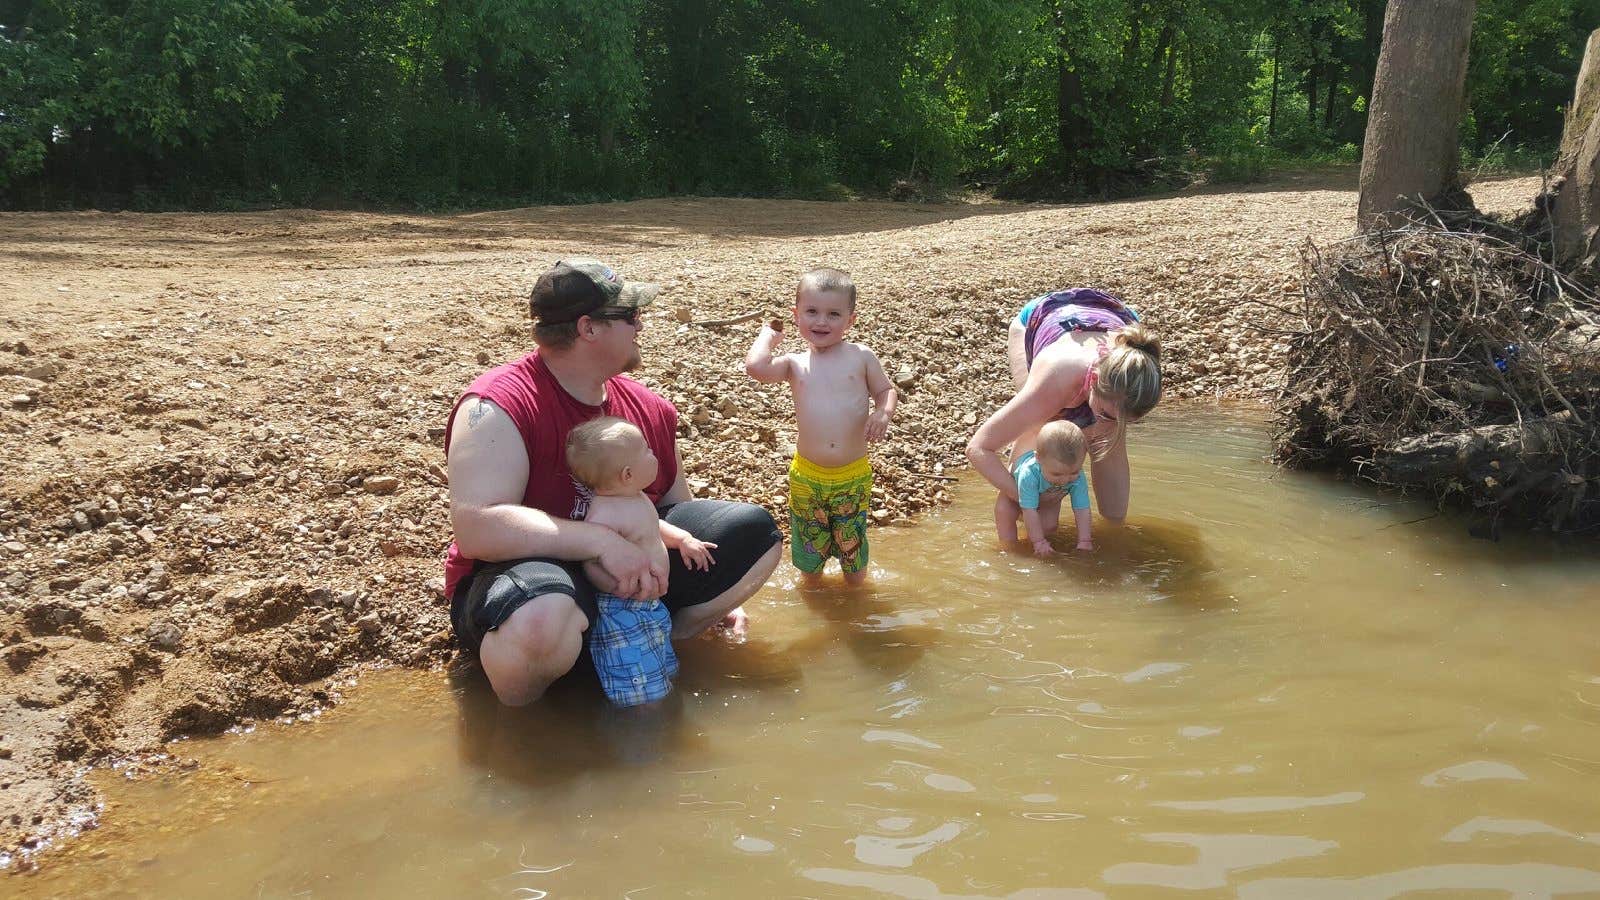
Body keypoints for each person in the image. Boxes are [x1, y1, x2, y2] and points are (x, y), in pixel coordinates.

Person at [444, 257, 783, 707]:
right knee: (542, 618)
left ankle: (657, 644)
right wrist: (602, 543)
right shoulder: (497, 404)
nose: (641, 325)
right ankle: (528, 733)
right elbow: (478, 529)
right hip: (526, 579)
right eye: (630, 316)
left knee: (755, 534)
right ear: (588, 328)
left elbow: (676, 508)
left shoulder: (649, 407)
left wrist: (723, 596)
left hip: (626, 588)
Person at [744, 268, 897, 586]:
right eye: (811, 312)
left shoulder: (860, 357)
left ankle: (856, 603)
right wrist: (767, 337)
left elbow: (886, 390)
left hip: (851, 475)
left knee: (852, 549)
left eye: (833, 314)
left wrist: (882, 413)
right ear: (796, 315)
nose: (821, 322)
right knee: (809, 548)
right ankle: (812, 591)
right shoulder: (793, 364)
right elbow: (756, 368)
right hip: (808, 475)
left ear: (850, 321)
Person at [967, 288, 1162, 527]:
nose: (1108, 424)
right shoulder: (1056, 378)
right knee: (1040, 436)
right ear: (1092, 381)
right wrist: (1028, 499)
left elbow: (1115, 413)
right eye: (1106, 415)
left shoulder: (1139, 369)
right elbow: (979, 448)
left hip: (1111, 316)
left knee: (1115, 514)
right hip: (1041, 318)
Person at [566, 417, 717, 707]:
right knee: (637, 687)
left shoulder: (634, 497)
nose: (654, 454)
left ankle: (663, 707)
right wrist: (615, 585)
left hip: (650, 605)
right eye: (647, 450)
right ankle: (643, 735)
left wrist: (682, 538)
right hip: (623, 612)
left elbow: (652, 526)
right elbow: (591, 560)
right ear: (627, 474)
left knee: (662, 669)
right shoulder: (605, 513)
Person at [997, 419, 1093, 556]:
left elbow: (1082, 509)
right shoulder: (1028, 474)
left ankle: (1031, 536)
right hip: (1013, 490)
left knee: (1049, 528)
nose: (1065, 480)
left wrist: (1085, 540)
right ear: (1038, 459)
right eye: (1057, 474)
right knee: (1006, 521)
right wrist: (1039, 542)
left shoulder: (1077, 477)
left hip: (1049, 493)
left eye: (1073, 472)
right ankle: (1010, 552)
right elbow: (1029, 510)